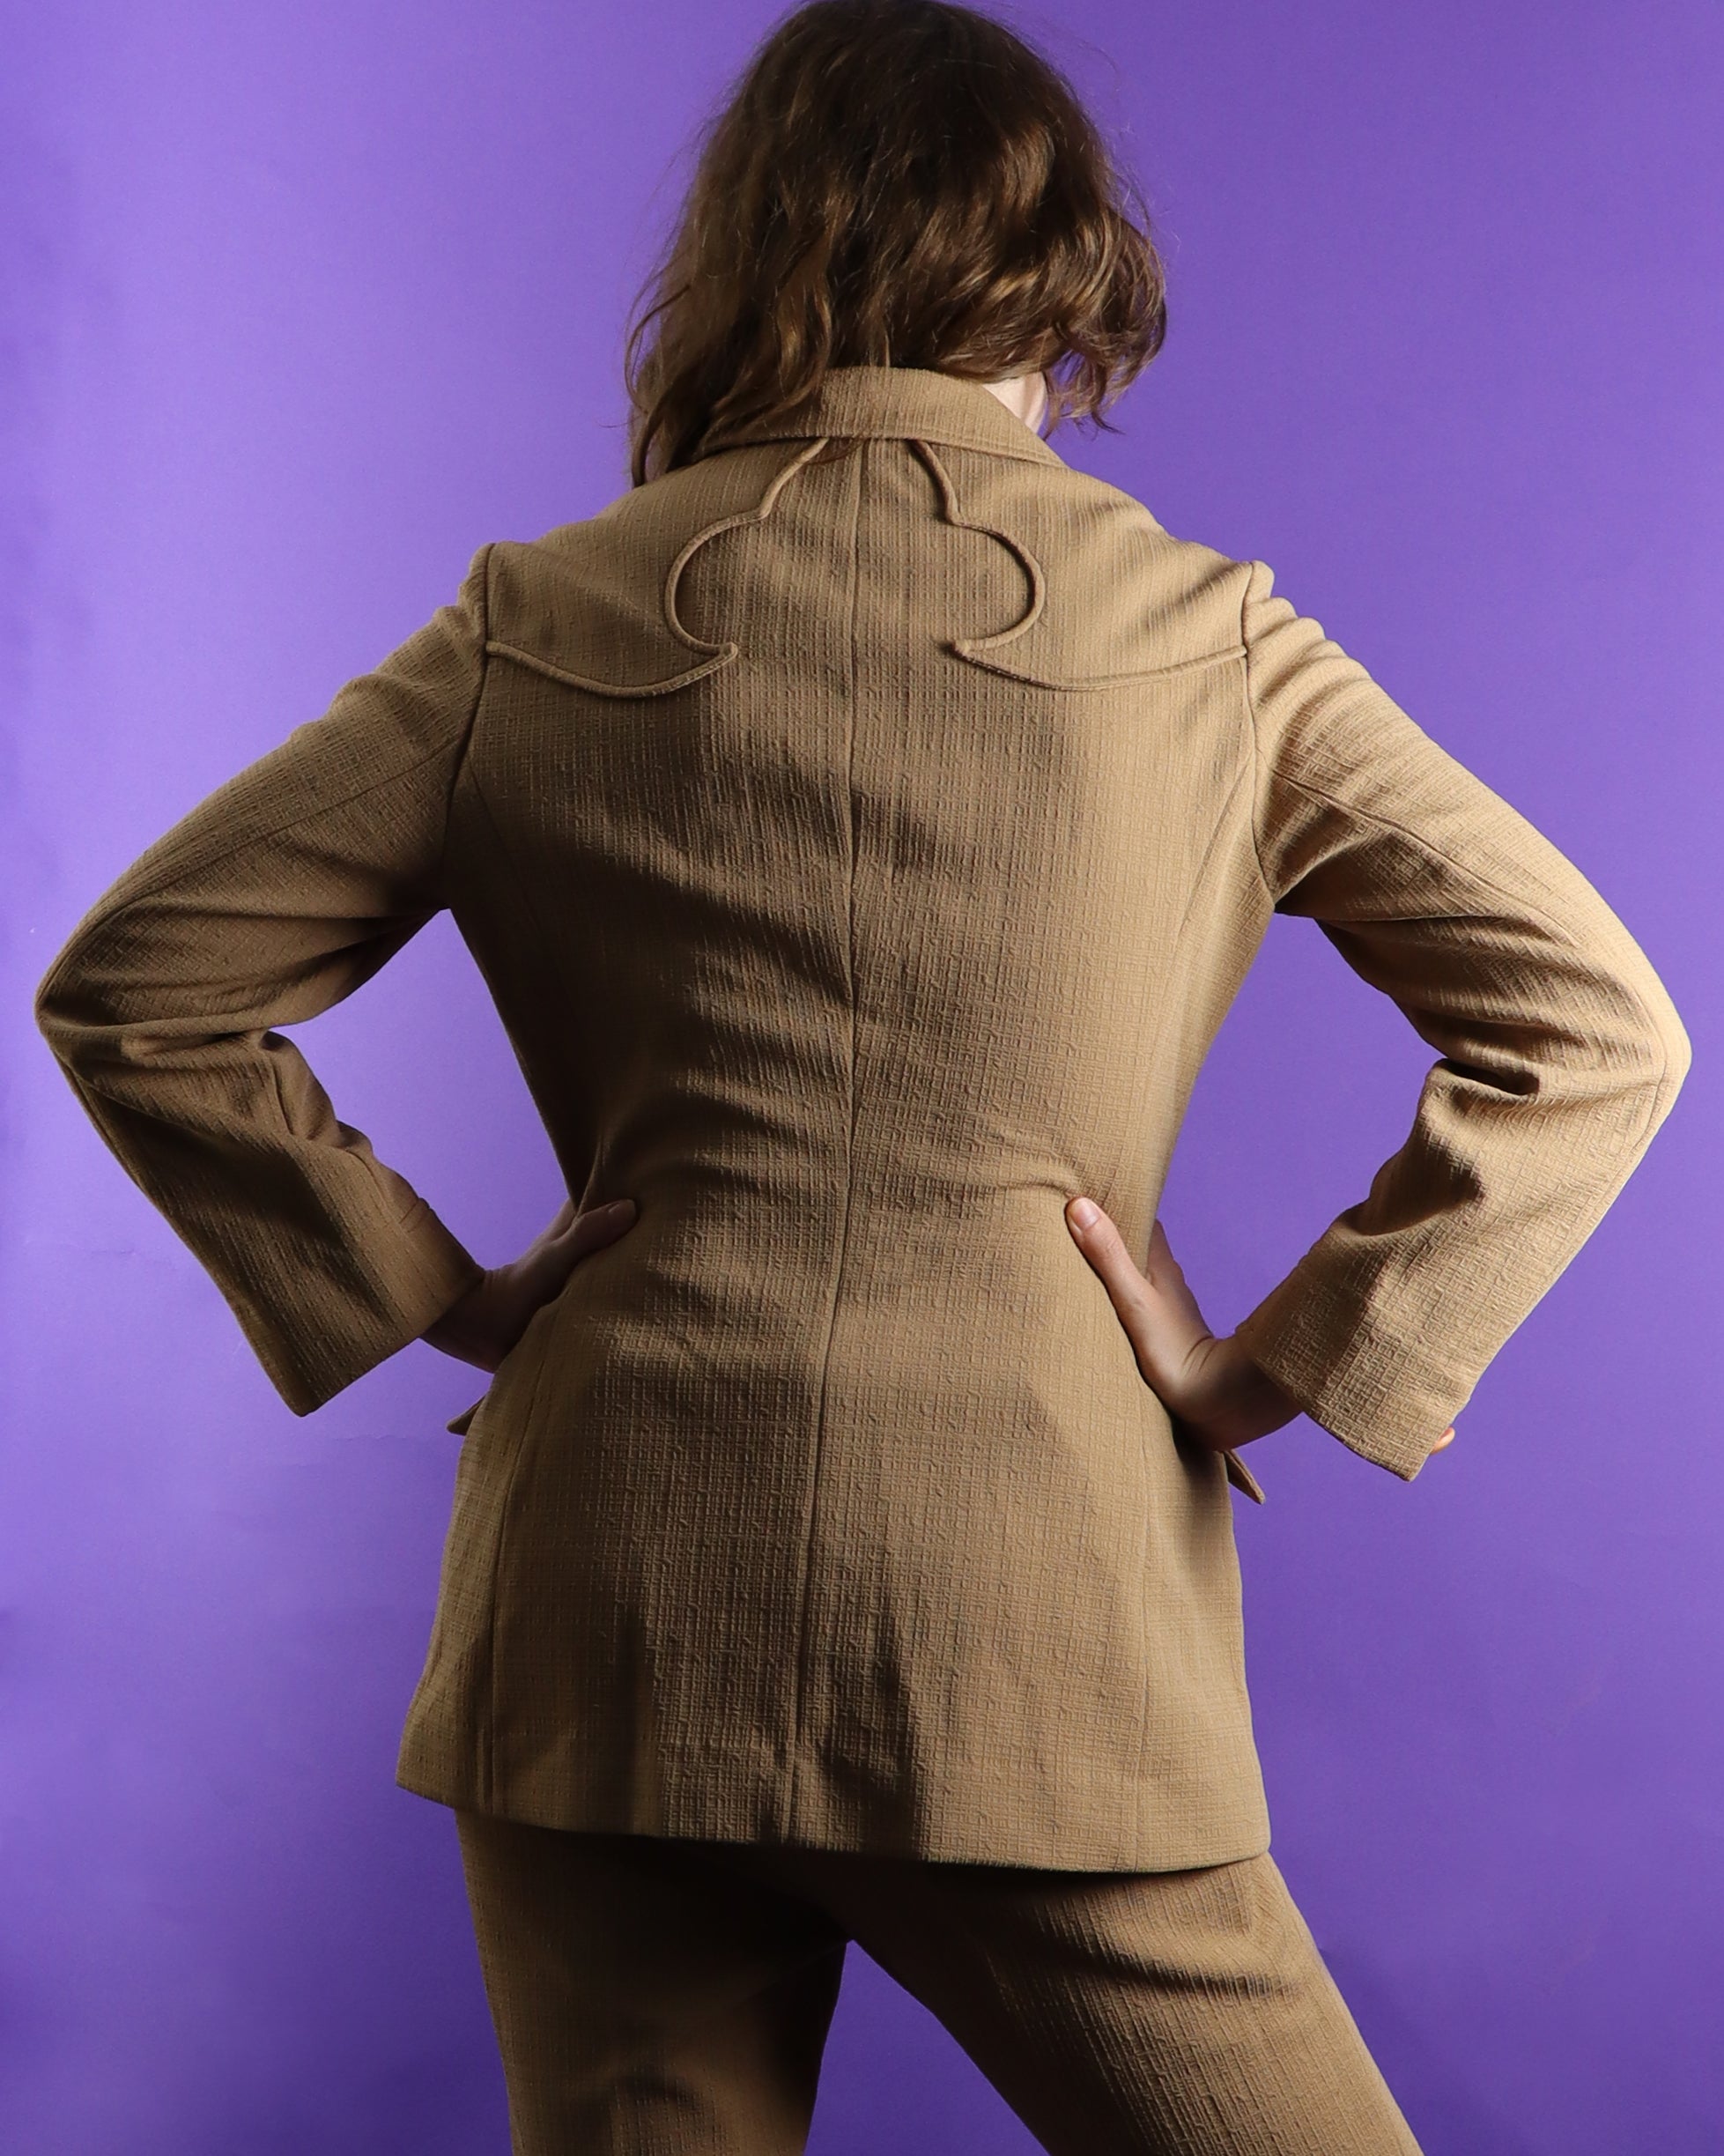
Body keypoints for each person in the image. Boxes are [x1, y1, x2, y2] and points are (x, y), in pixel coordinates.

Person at [33, 3, 1689, 2151]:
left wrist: (437, 1292)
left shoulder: (537, 619)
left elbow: (137, 989)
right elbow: (1594, 1029)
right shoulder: (1215, 643)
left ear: (746, 260)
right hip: (1033, 1621)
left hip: (605, 1604)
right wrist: (1278, 1365)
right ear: (1069, 277)